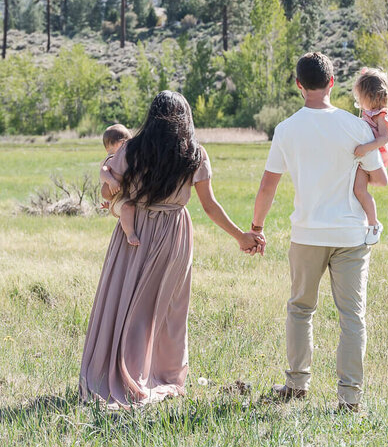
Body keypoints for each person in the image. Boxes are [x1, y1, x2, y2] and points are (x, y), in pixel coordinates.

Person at [80, 92, 264, 407]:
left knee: (126, 302)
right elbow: (210, 206)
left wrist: (112, 183)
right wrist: (240, 236)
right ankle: (157, 373)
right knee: (166, 308)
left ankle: (120, 371)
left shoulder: (131, 149)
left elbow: (107, 192)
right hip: (173, 233)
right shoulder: (195, 154)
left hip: (135, 230)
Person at [250, 52, 388, 412]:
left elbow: (267, 187)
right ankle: (350, 397)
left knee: (300, 309)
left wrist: (257, 227)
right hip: (350, 236)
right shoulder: (356, 127)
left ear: (299, 85)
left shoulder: (286, 129)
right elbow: (376, 176)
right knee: (352, 316)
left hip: (306, 235)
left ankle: (296, 384)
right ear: (331, 83)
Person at [351, 67, 388, 245]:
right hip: (365, 156)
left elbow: (384, 139)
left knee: (362, 189)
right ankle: (367, 222)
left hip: (374, 154)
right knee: (358, 190)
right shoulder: (369, 113)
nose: (358, 101)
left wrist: (365, 147)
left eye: (360, 96)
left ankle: (373, 223)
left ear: (371, 95)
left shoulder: (382, 115)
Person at [98, 123, 139, 246]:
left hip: (117, 198)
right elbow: (103, 171)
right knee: (128, 207)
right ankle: (130, 233)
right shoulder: (111, 158)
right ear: (121, 143)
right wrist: (112, 181)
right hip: (118, 200)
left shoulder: (121, 158)